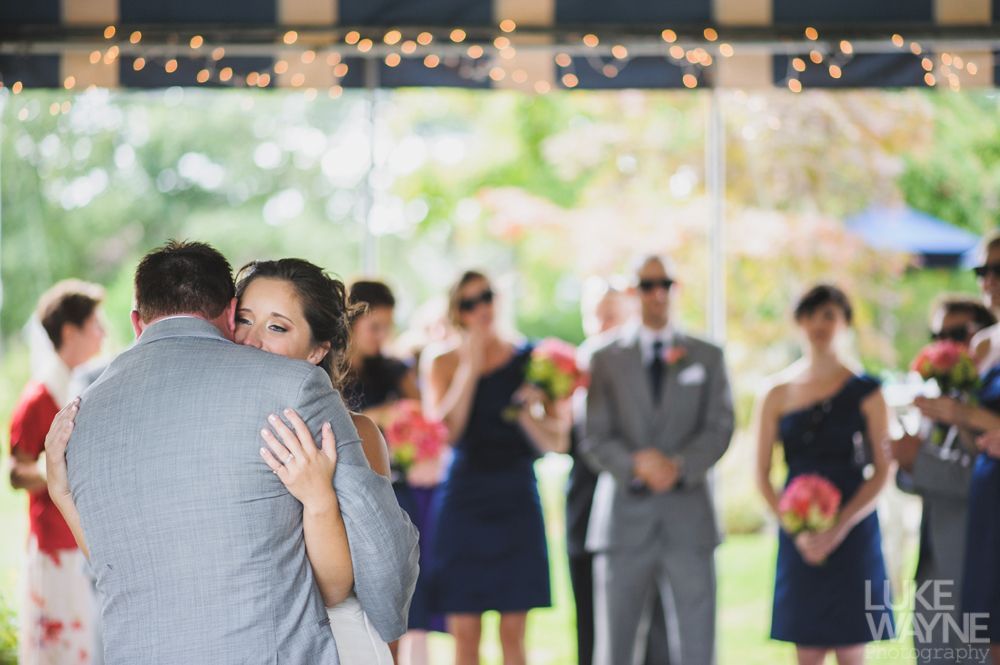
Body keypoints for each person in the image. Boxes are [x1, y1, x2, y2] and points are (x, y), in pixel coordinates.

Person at [43, 241, 418, 664]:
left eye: (278, 327)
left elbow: (344, 587)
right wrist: (62, 495)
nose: (253, 341)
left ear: (317, 350)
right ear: (228, 314)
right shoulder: (251, 400)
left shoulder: (87, 412)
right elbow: (133, 565)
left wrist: (319, 500)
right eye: (245, 320)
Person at [582, 255, 734, 665]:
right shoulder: (603, 357)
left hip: (689, 521)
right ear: (633, 292)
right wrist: (636, 465)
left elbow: (720, 427)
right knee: (615, 649)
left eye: (664, 283)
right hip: (623, 524)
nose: (657, 293)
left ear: (674, 288)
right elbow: (593, 434)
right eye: (647, 285)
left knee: (698, 649)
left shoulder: (708, 355)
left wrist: (679, 466)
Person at [424, 270, 570, 665]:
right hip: (464, 502)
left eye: (486, 297)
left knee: (513, 636)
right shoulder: (441, 361)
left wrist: (528, 413)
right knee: (465, 635)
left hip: (517, 499)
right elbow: (448, 434)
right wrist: (470, 367)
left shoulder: (533, 359)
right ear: (457, 313)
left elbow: (558, 442)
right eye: (469, 303)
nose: (481, 309)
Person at [754, 284, 895, 665]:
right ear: (799, 323)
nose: (820, 324)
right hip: (798, 530)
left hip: (852, 526)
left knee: (852, 648)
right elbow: (762, 475)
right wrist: (796, 527)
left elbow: (883, 470)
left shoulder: (867, 391)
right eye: (811, 315)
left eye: (829, 315)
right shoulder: (775, 393)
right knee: (808, 648)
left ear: (845, 323)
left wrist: (840, 525)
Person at [344, 279, 444, 665]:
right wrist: (376, 418)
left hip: (396, 495)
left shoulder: (394, 370)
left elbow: (425, 423)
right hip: (348, 498)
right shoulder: (324, 369)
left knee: (395, 606)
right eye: (375, 327)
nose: (383, 335)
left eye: (388, 325)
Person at [568, 277, 666, 665]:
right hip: (585, 503)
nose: (604, 321)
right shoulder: (569, 370)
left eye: (612, 313)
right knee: (589, 619)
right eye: (596, 314)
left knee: (647, 618)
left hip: (638, 500)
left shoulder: (646, 366)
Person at [893, 296, 995, 665]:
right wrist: (906, 463)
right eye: (939, 335)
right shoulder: (939, 399)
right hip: (934, 570)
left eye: (957, 333)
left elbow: (981, 477)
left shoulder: (987, 400)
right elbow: (914, 479)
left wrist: (916, 461)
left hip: (979, 567)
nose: (947, 345)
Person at [8, 279, 105, 665]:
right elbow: (16, 473)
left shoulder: (88, 384)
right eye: (95, 325)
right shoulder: (38, 397)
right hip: (55, 545)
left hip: (82, 538)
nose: (102, 334)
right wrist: (58, 472)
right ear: (71, 331)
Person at [918, 233, 1000, 665]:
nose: (989, 280)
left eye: (997, 270)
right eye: (983, 271)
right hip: (981, 512)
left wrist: (965, 415)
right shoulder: (985, 351)